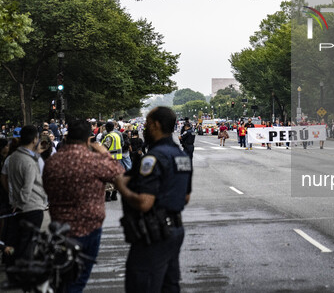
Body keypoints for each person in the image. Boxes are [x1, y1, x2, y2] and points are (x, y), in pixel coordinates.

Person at [115, 107, 193, 293]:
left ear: (156, 125)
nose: (145, 129)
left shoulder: (153, 158)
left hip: (153, 234)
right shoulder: (181, 156)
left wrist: (122, 188)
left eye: (148, 124)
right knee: (169, 285)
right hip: (174, 229)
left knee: (143, 284)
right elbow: (186, 197)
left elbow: (144, 202)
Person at [43, 120, 125, 292]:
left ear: (67, 136)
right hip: (88, 228)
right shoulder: (93, 161)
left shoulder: (53, 162)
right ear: (88, 139)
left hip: (59, 228)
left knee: (63, 278)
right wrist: (105, 154)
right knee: (78, 280)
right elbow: (120, 175)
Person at [4, 126, 47, 287]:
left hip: (18, 206)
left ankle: (16, 275)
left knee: (20, 242)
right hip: (31, 206)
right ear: (35, 139)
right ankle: (23, 276)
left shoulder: (13, 157)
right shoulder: (28, 161)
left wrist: (16, 203)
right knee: (28, 245)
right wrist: (21, 203)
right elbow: (27, 187)